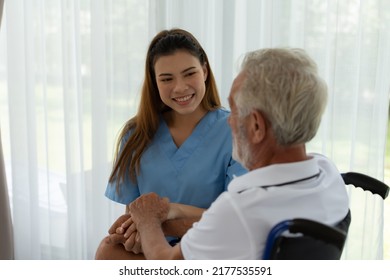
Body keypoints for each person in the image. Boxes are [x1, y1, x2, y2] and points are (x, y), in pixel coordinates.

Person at [123, 48, 350, 259]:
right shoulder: (329, 175)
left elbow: (168, 264)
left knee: (109, 253)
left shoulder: (241, 210)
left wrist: (147, 221)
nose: (228, 121)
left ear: (256, 126)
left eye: (234, 111)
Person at [95, 29, 247, 259]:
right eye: (167, 79)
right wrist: (134, 235)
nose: (180, 87)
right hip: (152, 249)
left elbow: (236, 219)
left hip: (210, 251)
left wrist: (160, 221)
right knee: (108, 251)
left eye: (189, 74)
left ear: (204, 71)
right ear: (154, 82)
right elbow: (134, 213)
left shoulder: (235, 132)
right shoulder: (135, 135)